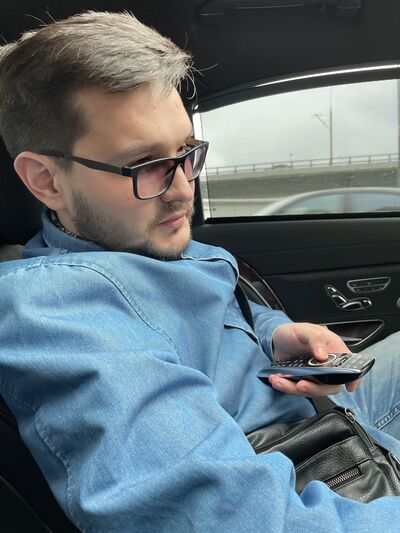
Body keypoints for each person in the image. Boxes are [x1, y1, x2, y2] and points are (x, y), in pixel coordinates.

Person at [0, 10, 399, 532]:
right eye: (145, 165)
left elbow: (214, 312)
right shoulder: (57, 311)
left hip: (327, 420)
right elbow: (238, 520)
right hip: (313, 468)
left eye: (185, 152)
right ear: (46, 181)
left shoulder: (137, 241)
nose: (183, 188)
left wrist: (273, 333)